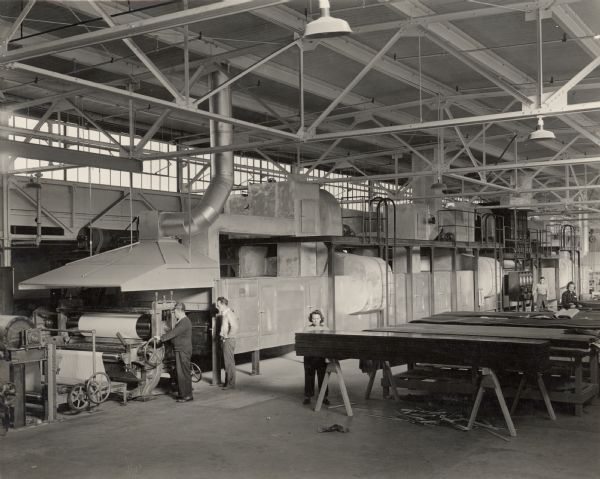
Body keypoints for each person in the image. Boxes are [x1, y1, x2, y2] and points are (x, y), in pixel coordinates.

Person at [158, 302, 193, 402]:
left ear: (179, 311)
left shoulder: (185, 321)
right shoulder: (181, 321)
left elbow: (174, 333)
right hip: (180, 349)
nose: (174, 314)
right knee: (181, 372)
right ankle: (184, 394)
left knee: (183, 373)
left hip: (183, 350)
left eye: (175, 312)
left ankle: (186, 395)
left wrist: (161, 338)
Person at [302, 309, 329, 406]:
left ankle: (324, 397)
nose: (315, 320)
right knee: (309, 376)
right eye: (313, 319)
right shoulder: (306, 329)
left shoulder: (326, 329)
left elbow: (328, 343)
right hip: (309, 356)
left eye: (317, 318)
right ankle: (307, 397)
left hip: (321, 356)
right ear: (311, 319)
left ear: (321, 318)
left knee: (322, 377)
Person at [217, 297, 239, 390]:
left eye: (219, 305)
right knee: (228, 362)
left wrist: (227, 336)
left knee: (229, 362)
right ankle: (228, 382)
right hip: (226, 339)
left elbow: (235, 327)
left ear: (223, 304)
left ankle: (230, 383)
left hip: (229, 340)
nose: (218, 308)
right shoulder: (225, 313)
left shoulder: (229, 313)